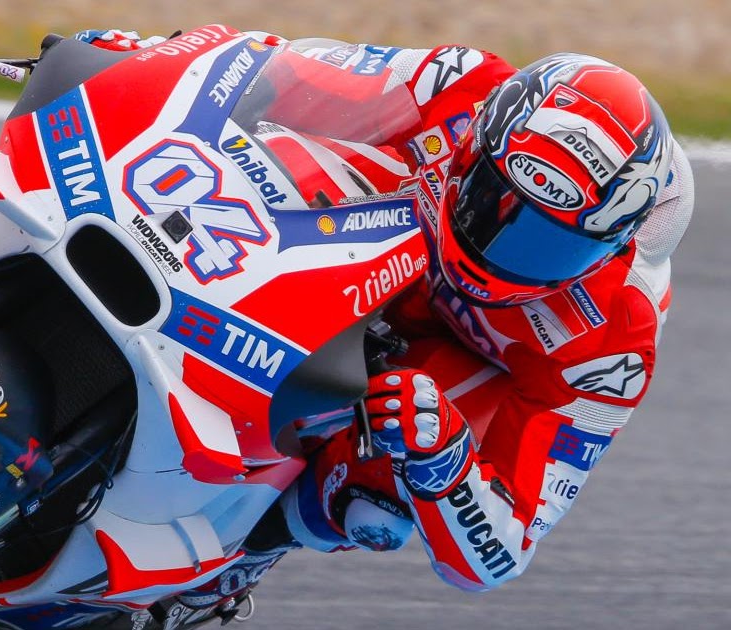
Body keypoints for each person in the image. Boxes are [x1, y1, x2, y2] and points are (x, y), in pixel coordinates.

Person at [77, 28, 695, 594]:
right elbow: (275, 70)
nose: (503, 251)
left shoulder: (615, 336)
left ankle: (231, 563)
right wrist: (151, 56)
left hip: (461, 361)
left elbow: (502, 553)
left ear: (610, 247)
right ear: (474, 147)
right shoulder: (460, 84)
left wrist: (445, 462)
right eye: (494, 201)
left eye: (548, 245)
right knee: (275, 153)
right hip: (396, 237)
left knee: (378, 498)